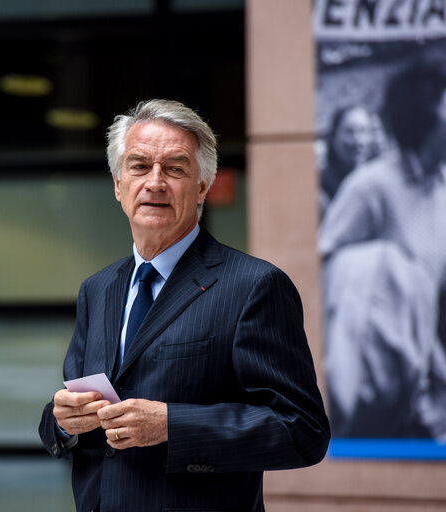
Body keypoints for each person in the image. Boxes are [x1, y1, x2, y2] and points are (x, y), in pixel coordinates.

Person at [39, 99, 330, 512]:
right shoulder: (98, 288)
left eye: (175, 168)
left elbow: (303, 431)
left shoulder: (254, 286)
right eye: (139, 166)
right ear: (118, 185)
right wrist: (62, 421)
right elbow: (71, 415)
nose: (155, 182)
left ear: (202, 188)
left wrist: (173, 425)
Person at [320, 58, 446, 439]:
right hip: (376, 389)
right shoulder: (371, 187)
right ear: (424, 118)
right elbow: (321, 269)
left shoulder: (441, 187)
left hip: (428, 385)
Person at [319, 105, 379, 217]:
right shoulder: (321, 185)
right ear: (334, 136)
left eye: (363, 131)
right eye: (349, 132)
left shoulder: (376, 179)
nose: (358, 140)